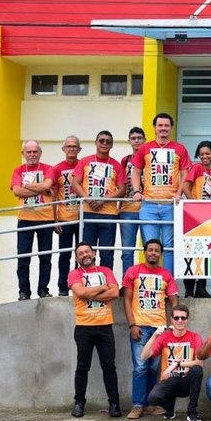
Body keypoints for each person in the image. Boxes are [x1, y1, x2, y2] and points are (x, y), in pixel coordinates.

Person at [122, 239, 179, 420]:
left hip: (160, 329)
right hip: (140, 327)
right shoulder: (133, 271)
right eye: (150, 250)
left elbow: (174, 300)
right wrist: (132, 324)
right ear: (145, 252)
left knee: (154, 369)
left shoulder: (166, 275)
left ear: (160, 255)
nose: (153, 253)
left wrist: (172, 323)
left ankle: (150, 404)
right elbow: (126, 300)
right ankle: (138, 405)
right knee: (140, 367)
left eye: (157, 251)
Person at [131, 112, 192, 276]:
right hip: (149, 205)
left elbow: (185, 174)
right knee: (150, 247)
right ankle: (151, 281)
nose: (163, 128)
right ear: (154, 128)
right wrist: (137, 191)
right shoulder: (145, 148)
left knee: (169, 246)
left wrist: (179, 193)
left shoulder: (180, 148)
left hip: (170, 206)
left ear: (171, 128)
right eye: (160, 125)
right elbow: (136, 172)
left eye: (166, 125)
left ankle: (168, 283)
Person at [67, 242, 121, 418]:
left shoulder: (106, 271)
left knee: (109, 367)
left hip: (105, 326)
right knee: (82, 367)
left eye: (87, 251)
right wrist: (102, 287)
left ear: (94, 253)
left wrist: (92, 292)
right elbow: (81, 294)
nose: (84, 255)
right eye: (80, 253)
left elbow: (115, 293)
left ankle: (114, 404)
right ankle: (79, 403)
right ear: (77, 258)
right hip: (84, 327)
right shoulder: (74, 274)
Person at [71, 130, 126, 270]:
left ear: (112, 145)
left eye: (108, 141)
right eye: (101, 140)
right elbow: (75, 183)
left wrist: (104, 200)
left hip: (108, 215)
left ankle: (107, 284)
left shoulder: (117, 165)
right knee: (86, 252)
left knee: (107, 253)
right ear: (96, 143)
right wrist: (88, 198)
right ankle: (86, 282)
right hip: (88, 213)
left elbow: (122, 189)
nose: (104, 143)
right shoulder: (84, 161)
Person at [141, 304, 205, 421]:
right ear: (171, 320)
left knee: (197, 370)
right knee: (152, 398)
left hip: (187, 380)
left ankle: (192, 412)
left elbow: (200, 363)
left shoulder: (195, 337)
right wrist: (155, 335)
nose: (180, 320)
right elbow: (144, 356)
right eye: (176, 318)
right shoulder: (165, 337)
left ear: (187, 320)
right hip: (169, 380)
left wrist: (176, 364)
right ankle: (169, 407)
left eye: (183, 318)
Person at [11, 140, 55, 300]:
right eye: (29, 152)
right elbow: (16, 191)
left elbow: (48, 185)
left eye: (35, 151)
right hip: (25, 218)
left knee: (45, 257)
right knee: (23, 257)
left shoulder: (48, 168)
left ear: (40, 153)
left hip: (46, 218)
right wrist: (40, 186)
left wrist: (26, 187)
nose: (32, 155)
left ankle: (43, 290)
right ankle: (24, 292)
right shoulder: (18, 170)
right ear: (23, 154)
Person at [181, 140, 211, 298]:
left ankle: (201, 288)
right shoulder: (197, 168)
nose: (204, 156)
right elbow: (186, 186)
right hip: (194, 215)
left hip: (208, 217)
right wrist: (193, 202)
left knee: (205, 252)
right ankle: (189, 290)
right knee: (192, 251)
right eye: (201, 154)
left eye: (207, 153)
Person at [52, 135, 82, 296]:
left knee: (83, 255)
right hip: (65, 218)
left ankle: (80, 286)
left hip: (83, 219)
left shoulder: (84, 165)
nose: (72, 149)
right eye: (69, 146)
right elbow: (54, 196)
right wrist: (55, 219)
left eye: (74, 146)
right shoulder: (57, 169)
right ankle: (63, 287)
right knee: (64, 255)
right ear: (63, 149)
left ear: (79, 149)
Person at [119, 126, 145, 274]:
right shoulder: (126, 160)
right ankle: (126, 281)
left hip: (147, 208)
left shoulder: (149, 158)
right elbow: (121, 184)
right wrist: (119, 206)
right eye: (133, 138)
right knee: (127, 250)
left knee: (151, 247)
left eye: (139, 138)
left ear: (144, 140)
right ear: (129, 141)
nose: (136, 141)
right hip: (127, 209)